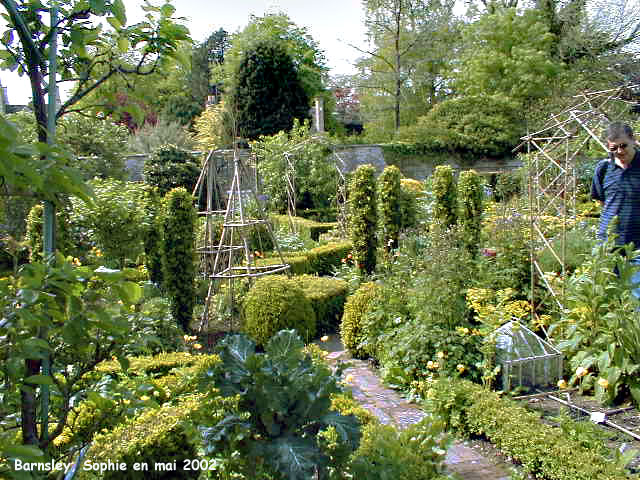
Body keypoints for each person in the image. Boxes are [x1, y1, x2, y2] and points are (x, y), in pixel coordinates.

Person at [591, 122, 640, 297]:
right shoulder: (603, 168)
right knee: (607, 297)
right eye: (614, 148)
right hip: (608, 245)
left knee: (636, 300)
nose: (619, 151)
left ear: (634, 140)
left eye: (623, 145)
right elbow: (602, 202)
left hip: (637, 247)